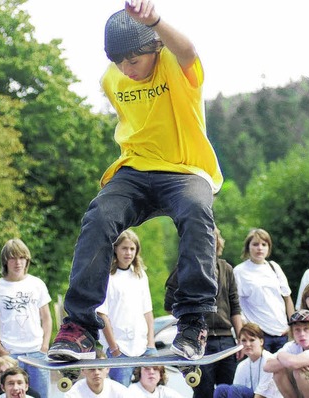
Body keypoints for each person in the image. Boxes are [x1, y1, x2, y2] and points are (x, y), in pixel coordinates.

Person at [48, 0, 223, 363]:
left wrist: (155, 21)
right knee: (99, 216)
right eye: (119, 62)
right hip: (134, 170)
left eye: (134, 61)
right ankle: (79, 326)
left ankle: (192, 320)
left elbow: (188, 50)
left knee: (195, 211)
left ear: (154, 48)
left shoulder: (175, 65)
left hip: (184, 170)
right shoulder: (112, 79)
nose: (127, 70)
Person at [164, 225, 243, 397]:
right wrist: (191, 321)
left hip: (226, 340)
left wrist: (241, 339)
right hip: (199, 342)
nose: (208, 242)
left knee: (228, 392)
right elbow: (169, 304)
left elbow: (235, 306)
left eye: (211, 238)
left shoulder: (226, 268)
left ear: (217, 242)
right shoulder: (185, 268)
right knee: (203, 393)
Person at [0, 238, 52, 398]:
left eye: (22, 258)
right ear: (5, 261)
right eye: (13, 258)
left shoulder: (37, 284)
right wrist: (0, 350)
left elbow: (47, 318)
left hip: (37, 352)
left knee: (41, 395)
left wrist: (45, 345)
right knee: (12, 394)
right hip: (11, 353)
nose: (18, 262)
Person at [96, 230, 156, 386]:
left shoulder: (140, 275)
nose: (128, 253)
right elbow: (102, 315)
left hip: (144, 347)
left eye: (132, 249)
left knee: (151, 391)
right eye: (124, 248)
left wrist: (151, 343)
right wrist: (114, 348)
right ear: (115, 249)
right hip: (120, 349)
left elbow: (148, 312)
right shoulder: (107, 277)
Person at [234, 228, 295, 353]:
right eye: (255, 244)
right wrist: (244, 332)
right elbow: (236, 305)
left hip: (281, 332)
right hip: (259, 335)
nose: (259, 248)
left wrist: (292, 325)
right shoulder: (240, 271)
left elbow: (287, 298)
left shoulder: (274, 267)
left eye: (264, 244)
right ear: (248, 247)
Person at [213, 323, 280, 398]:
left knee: (235, 389)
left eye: (252, 340)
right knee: (221, 389)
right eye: (244, 340)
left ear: (261, 341)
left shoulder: (269, 361)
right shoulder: (242, 365)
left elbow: (262, 395)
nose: (248, 344)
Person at [63, 350, 130, 397]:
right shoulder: (73, 393)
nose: (96, 372)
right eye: (92, 369)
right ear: (83, 370)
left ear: (107, 369)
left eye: (100, 368)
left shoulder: (120, 391)